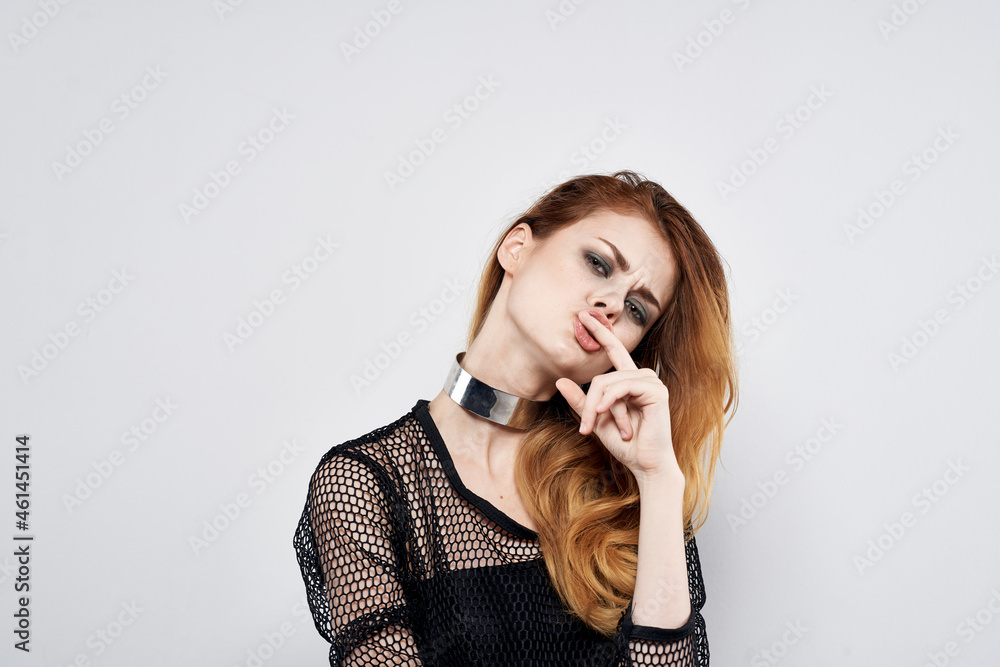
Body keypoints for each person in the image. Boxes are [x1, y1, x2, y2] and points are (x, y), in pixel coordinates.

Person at [292, 171, 738, 666]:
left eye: (637, 309)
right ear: (517, 248)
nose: (612, 305)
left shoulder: (625, 491)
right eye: (598, 263)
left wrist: (657, 480)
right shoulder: (365, 483)